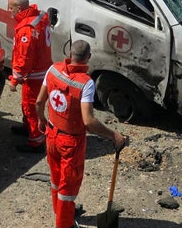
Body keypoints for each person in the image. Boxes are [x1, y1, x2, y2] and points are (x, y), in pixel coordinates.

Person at [36, 40, 128, 228]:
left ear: (70, 53)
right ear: (88, 57)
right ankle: (65, 224)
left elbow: (39, 101)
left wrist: (41, 120)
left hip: (51, 134)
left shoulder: (53, 69)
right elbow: (89, 121)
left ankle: (60, 211)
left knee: (56, 179)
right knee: (68, 188)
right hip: (70, 142)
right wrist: (113, 135)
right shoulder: (86, 84)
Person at [8, 0, 53, 153]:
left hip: (35, 75)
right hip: (43, 70)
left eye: (11, 8)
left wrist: (15, 80)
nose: (9, 11)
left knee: (31, 107)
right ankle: (28, 127)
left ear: (19, 8)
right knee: (28, 105)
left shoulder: (26, 29)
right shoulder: (39, 17)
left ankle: (36, 141)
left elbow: (24, 58)